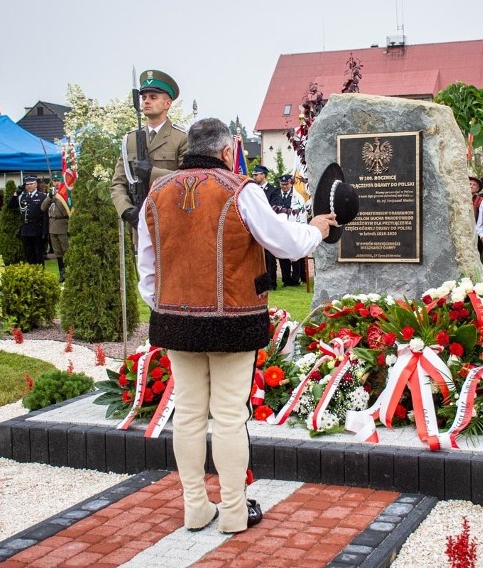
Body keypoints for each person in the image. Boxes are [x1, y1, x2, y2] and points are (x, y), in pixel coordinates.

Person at [136, 118, 338, 534]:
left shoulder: (155, 195)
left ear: (189, 148)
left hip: (176, 320)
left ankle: (195, 507)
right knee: (229, 416)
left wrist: (171, 307)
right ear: (228, 151)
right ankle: (232, 511)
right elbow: (283, 242)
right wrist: (316, 230)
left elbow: (147, 272)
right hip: (233, 318)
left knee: (189, 414)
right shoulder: (241, 190)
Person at [111, 69, 188, 233]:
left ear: (167, 103)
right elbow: (118, 182)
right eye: (144, 97)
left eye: (153, 97)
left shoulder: (181, 138)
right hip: (139, 221)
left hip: (172, 220)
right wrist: (126, 210)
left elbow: (188, 181)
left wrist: (152, 173)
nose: (146, 101)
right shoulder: (130, 140)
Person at [275, 174, 308, 286]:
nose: (284, 186)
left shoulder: (297, 197)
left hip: (293, 229)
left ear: (291, 183)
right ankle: (286, 279)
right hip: (280, 230)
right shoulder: (276, 195)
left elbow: (301, 215)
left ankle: (295, 279)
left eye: (286, 184)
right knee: (282, 256)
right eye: (282, 184)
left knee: (295, 256)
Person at [8, 175, 47, 265]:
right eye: (27, 184)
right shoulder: (23, 197)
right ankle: (31, 271)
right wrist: (16, 194)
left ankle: (40, 272)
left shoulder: (42, 196)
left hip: (37, 228)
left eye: (31, 184)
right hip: (26, 228)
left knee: (38, 253)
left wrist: (45, 231)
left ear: (36, 184)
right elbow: (10, 206)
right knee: (28, 253)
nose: (29, 186)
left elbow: (45, 215)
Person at [252, 165, 280, 290]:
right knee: (257, 257)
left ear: (263, 175)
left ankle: (271, 283)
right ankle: (260, 284)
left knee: (269, 257)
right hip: (255, 226)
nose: (254, 177)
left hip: (268, 226)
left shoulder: (273, 190)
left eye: (256, 174)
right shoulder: (252, 190)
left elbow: (274, 207)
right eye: (253, 175)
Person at [41, 185, 70, 282]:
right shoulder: (51, 195)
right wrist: (49, 196)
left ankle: (69, 273)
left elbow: (67, 210)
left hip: (63, 226)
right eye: (54, 181)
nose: (56, 183)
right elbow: (43, 207)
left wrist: (60, 196)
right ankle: (62, 274)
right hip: (52, 227)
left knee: (66, 251)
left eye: (57, 180)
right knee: (58, 252)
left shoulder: (65, 194)